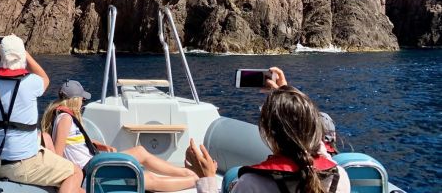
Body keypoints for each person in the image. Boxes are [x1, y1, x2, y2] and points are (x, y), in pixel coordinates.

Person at [184, 68, 350, 193]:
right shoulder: (339, 176)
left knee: (229, 179)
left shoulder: (252, 184)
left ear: (267, 134)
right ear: (314, 127)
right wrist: (287, 96)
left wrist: (206, 180)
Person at [0, 35, 84, 193]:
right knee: (75, 173)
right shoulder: (32, 82)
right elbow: (45, 79)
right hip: (22, 164)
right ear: (21, 55)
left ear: (1, 55)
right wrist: (24, 52)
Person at [41, 79, 199, 192]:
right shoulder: (66, 119)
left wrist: (99, 145)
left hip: (93, 163)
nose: (83, 101)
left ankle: (187, 173)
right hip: (90, 171)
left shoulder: (63, 116)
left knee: (140, 151)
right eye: (82, 98)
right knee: (147, 178)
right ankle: (195, 181)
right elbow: (59, 155)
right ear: (75, 100)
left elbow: (76, 143)